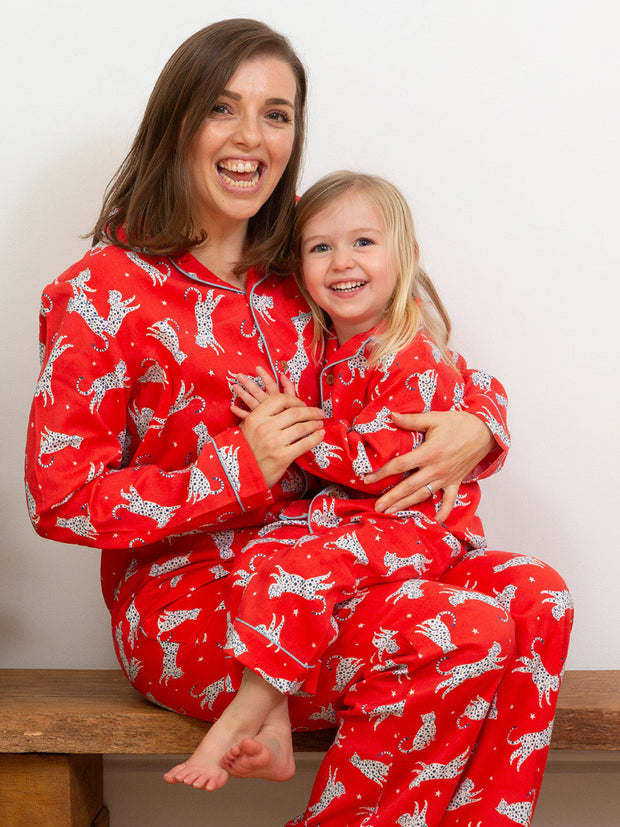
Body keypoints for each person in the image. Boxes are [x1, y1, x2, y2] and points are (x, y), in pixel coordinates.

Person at [24, 19, 572, 826]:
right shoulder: (102, 291)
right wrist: (235, 468)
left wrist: (478, 424)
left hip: (342, 561)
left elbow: (412, 351)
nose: (252, 136)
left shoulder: (303, 264)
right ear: (176, 121)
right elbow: (59, 496)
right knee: (461, 631)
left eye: (276, 114)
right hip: (198, 602)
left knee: (536, 596)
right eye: (223, 108)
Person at [165, 169, 512, 790]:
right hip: (361, 523)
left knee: (297, 571)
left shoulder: (407, 352)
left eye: (363, 244)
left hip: (414, 526)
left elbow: (379, 462)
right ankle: (274, 731)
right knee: (264, 558)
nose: (340, 262)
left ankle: (235, 721)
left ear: (402, 255)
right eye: (321, 247)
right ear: (298, 265)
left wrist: (297, 430)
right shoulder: (329, 342)